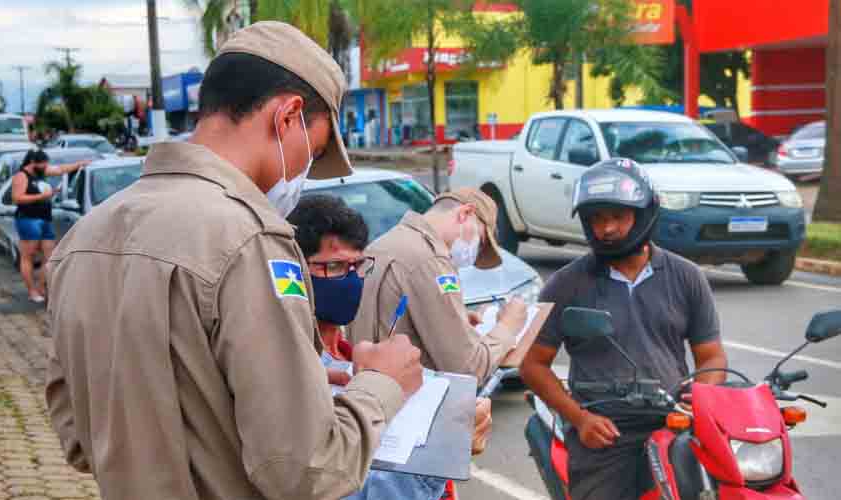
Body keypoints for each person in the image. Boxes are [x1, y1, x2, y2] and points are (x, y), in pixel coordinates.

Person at [45, 22, 423, 500]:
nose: (306, 173)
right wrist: (380, 384)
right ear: (288, 116)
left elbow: (80, 438)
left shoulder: (84, 237)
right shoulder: (248, 238)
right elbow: (305, 470)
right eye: (317, 151)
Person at [520, 158, 728, 500]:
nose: (607, 229)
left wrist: (701, 400)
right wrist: (581, 418)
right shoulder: (566, 284)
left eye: (618, 216)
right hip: (605, 431)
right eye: (597, 219)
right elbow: (532, 364)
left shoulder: (687, 276)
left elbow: (711, 355)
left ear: (645, 214)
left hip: (673, 421)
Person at [289, 194, 492, 500]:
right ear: (294, 272)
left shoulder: (349, 361)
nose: (351, 278)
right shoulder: (295, 375)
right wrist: (443, 450)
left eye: (358, 265)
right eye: (333, 266)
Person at [350, 187, 528, 384]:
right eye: (481, 240)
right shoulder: (430, 260)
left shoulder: (384, 243)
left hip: (368, 389)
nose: (476, 251)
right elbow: (468, 369)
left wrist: (450, 322)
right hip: (401, 401)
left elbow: (388, 320)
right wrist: (507, 327)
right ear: (464, 214)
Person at [11, 149, 87, 302]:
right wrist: (44, 196)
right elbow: (17, 198)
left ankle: (41, 287)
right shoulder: (21, 176)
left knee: (50, 255)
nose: (46, 166)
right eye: (43, 164)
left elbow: (60, 169)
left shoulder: (41, 172)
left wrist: (81, 164)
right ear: (33, 162)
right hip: (28, 219)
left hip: (45, 218)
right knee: (28, 256)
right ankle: (32, 291)